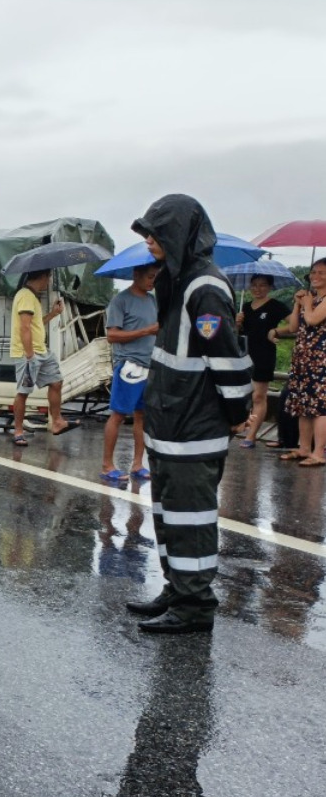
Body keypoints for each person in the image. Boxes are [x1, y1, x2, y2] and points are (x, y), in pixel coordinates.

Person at [126, 194, 250, 634]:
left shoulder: (205, 287)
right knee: (170, 517)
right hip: (168, 426)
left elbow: (227, 358)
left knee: (192, 520)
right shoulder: (176, 281)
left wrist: (238, 412)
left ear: (178, 234)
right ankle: (178, 590)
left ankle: (195, 607)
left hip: (194, 429)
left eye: (155, 234)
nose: (149, 242)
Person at [100, 263, 160, 482]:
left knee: (142, 416)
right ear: (137, 274)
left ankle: (137, 464)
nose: (152, 281)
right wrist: (147, 330)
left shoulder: (152, 300)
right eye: (150, 276)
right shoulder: (120, 300)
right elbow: (112, 335)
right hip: (129, 366)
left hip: (149, 365)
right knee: (118, 414)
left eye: (156, 277)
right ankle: (107, 465)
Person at [9, 269, 74, 446]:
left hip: (42, 351)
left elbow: (35, 324)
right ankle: (18, 430)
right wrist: (30, 355)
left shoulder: (32, 297)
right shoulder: (25, 296)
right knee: (23, 392)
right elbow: (24, 328)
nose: (49, 282)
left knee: (56, 382)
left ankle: (57, 421)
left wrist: (53, 314)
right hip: (28, 354)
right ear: (43, 277)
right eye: (49, 278)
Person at [236, 274, 293, 448]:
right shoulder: (245, 306)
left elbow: (294, 324)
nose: (257, 289)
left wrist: (275, 331)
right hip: (244, 355)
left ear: (270, 287)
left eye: (262, 285)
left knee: (258, 396)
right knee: (243, 395)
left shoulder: (276, 306)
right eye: (254, 285)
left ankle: (251, 436)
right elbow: (239, 333)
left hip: (264, 355)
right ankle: (241, 427)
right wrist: (237, 323)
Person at [280, 259, 326, 467]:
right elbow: (292, 326)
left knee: (319, 406)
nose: (315, 277)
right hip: (303, 356)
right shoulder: (311, 298)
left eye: (321, 273)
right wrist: (298, 303)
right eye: (313, 273)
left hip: (320, 358)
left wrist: (307, 304)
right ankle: (304, 447)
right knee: (302, 403)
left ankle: (318, 452)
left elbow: (313, 320)